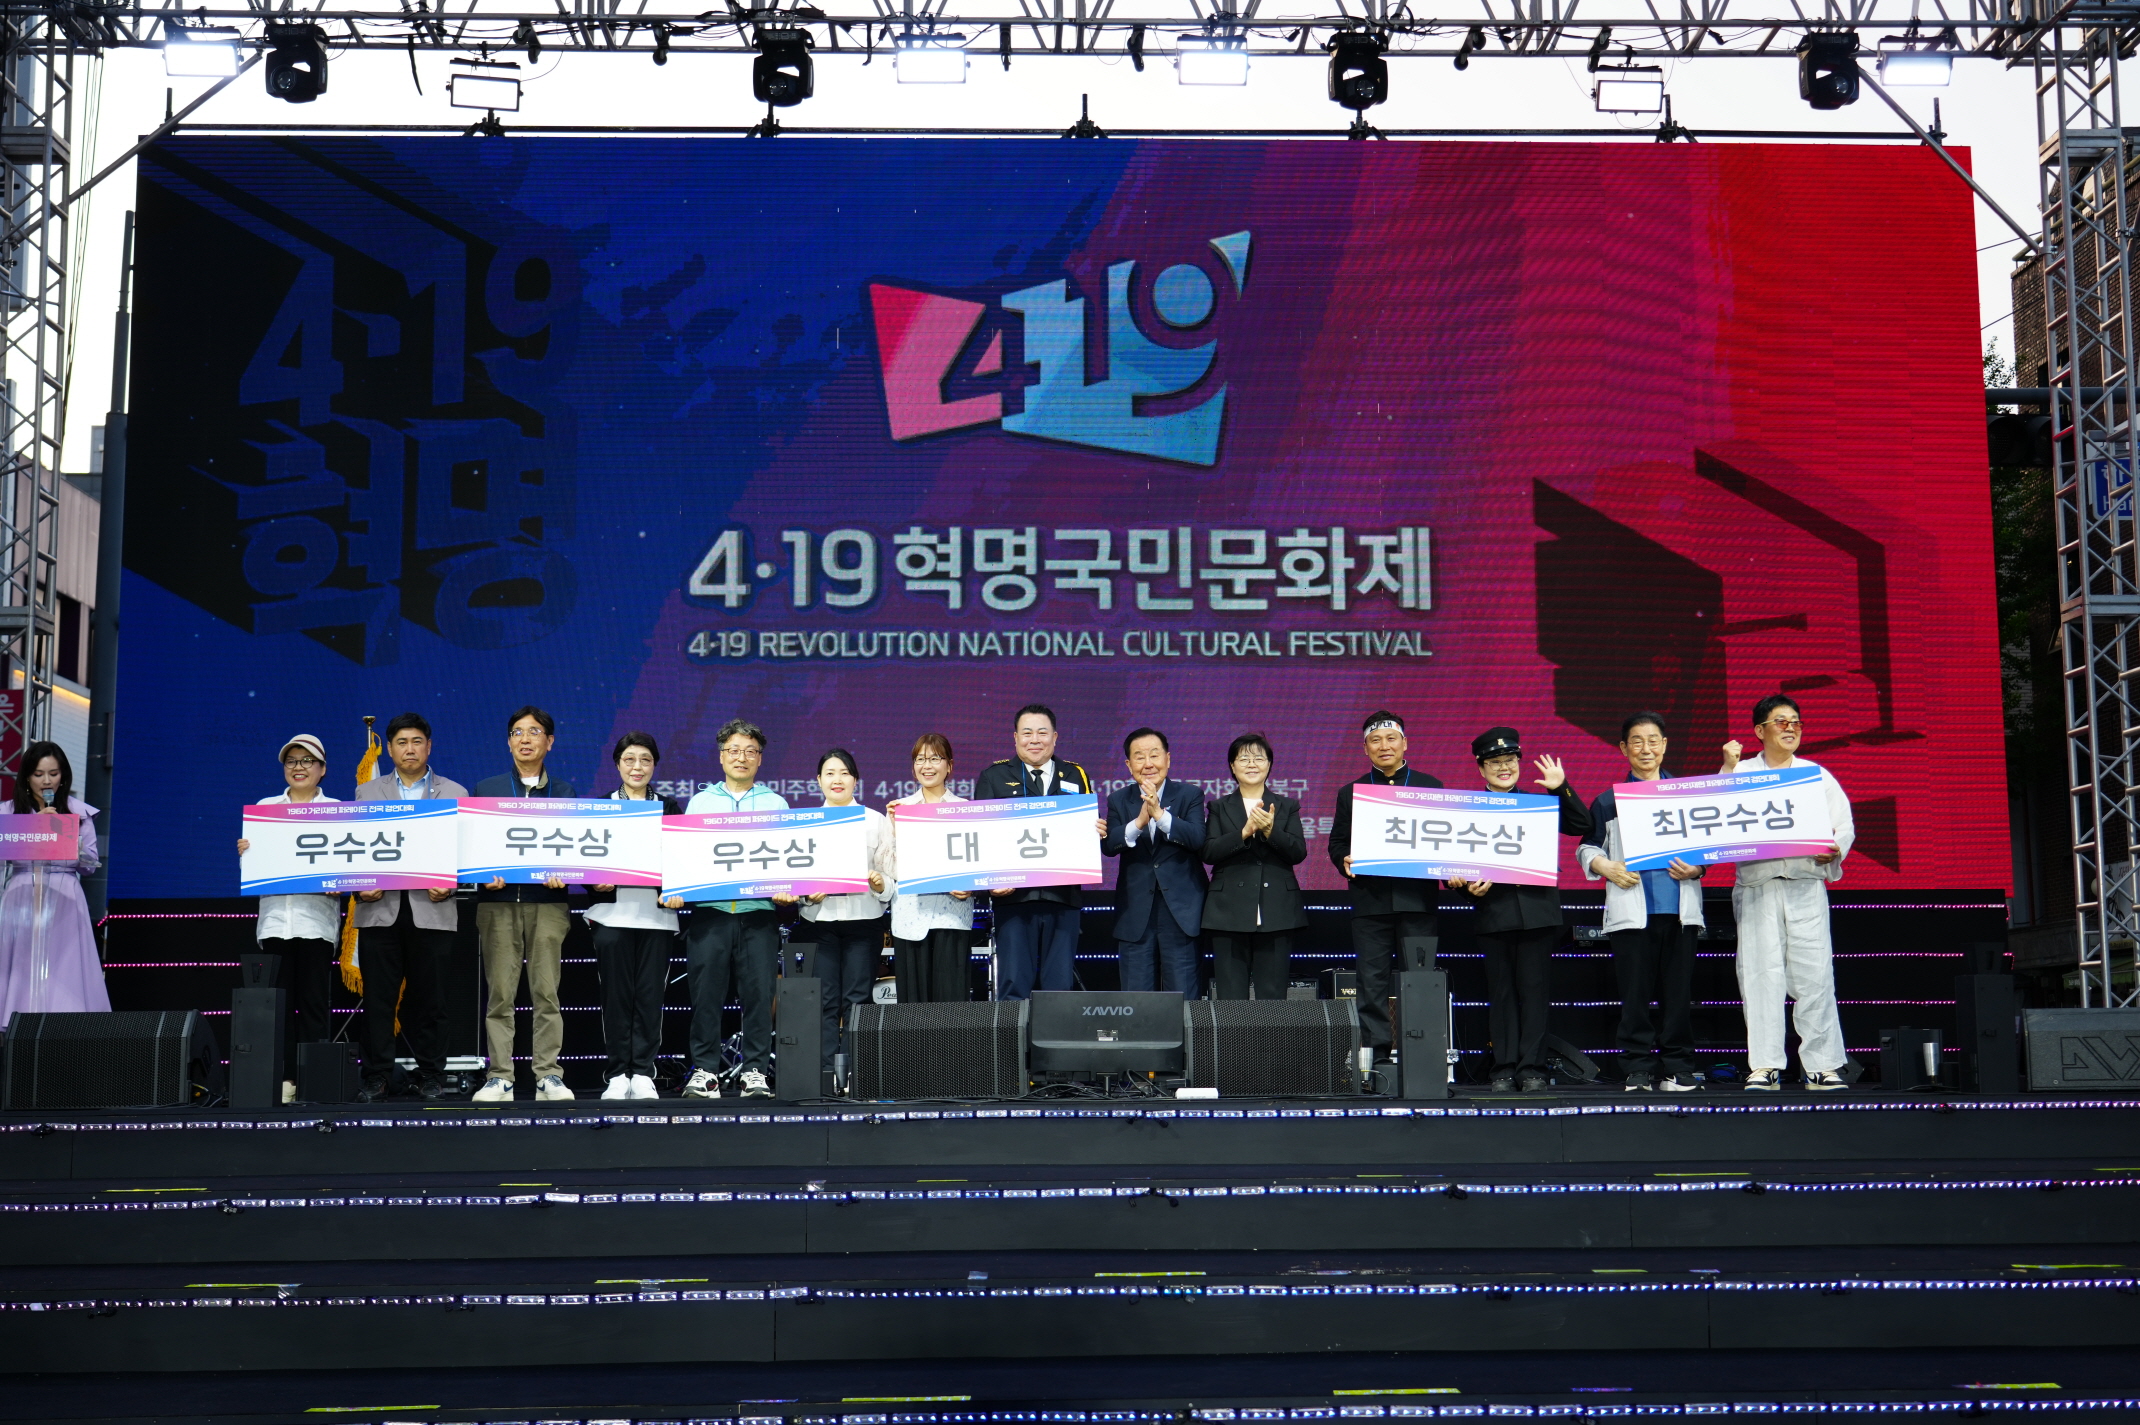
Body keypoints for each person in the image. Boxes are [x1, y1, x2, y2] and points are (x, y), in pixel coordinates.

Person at [1718, 694, 1856, 1092]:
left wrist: (1835, 848)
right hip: (1758, 887)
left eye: (1796, 721)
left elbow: (1842, 825)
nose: (1791, 727)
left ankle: (1822, 1066)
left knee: (1815, 976)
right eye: (1781, 721)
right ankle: (1765, 1066)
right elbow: (1718, 815)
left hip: (1805, 885)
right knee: (1760, 976)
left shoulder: (1815, 774)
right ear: (1760, 731)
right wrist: (1727, 768)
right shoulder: (1742, 771)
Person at [1449, 726, 1592, 1093]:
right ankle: (1503, 1070)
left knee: (1534, 995)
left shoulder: (1537, 805)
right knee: (1501, 996)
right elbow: (1455, 867)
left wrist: (1560, 787)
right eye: (1495, 762)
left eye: (1510, 760)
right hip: (1494, 913)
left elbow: (1581, 824)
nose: (1504, 767)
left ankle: (1532, 1071)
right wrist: (1465, 887)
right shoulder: (1467, 811)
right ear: (1481, 769)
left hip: (1537, 913)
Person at [1577, 713, 1706, 1093]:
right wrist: (1605, 866)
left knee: (1678, 997)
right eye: (1637, 741)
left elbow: (1709, 847)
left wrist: (1698, 868)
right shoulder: (1608, 801)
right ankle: (1637, 1068)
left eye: (1653, 740)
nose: (1645, 748)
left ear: (1664, 745)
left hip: (1679, 913)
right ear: (1623, 748)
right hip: (1633, 916)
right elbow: (1587, 847)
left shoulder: (1687, 797)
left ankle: (1678, 1068)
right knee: (1635, 998)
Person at [351, 714, 468, 1103]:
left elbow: (467, 853)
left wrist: (452, 883)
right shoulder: (367, 791)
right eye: (401, 742)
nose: (410, 749)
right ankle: (377, 1076)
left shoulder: (455, 792)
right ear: (390, 748)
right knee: (379, 1000)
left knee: (431, 1001)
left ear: (429, 746)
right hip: (379, 910)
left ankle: (431, 1074)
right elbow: (352, 848)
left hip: (432, 910)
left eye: (417, 741)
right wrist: (359, 888)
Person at [681, 718, 793, 1100]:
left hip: (758, 913)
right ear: (721, 756)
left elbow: (786, 860)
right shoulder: (700, 803)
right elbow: (687, 857)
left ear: (760, 759)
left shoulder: (776, 804)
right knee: (705, 996)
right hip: (710, 912)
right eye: (733, 750)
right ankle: (705, 1072)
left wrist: (787, 889)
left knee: (759, 995)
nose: (741, 757)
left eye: (750, 751)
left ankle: (755, 1071)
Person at [472, 706, 577, 1104]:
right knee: (500, 994)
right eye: (517, 732)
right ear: (508, 742)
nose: (525, 739)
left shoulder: (564, 793)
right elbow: (473, 845)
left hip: (547, 903)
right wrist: (482, 873)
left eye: (534, 732)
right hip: (498, 903)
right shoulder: (487, 790)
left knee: (546, 993)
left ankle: (548, 1074)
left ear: (549, 742)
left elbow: (574, 848)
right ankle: (500, 1076)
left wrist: (564, 871)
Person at [1327, 710, 1443, 1061]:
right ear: (1365, 749)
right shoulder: (1351, 792)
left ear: (1404, 743)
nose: (1384, 746)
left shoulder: (1431, 787)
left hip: (1418, 902)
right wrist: (1343, 860)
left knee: (1420, 981)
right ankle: (1375, 1059)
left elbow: (1445, 841)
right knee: (1371, 983)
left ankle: (1420, 1058)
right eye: (1375, 740)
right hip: (1371, 902)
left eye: (1391, 738)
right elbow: (1337, 843)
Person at [235, 733, 344, 1104]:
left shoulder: (337, 811)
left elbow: (347, 865)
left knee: (313, 1005)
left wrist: (340, 881)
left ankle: (312, 1079)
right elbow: (256, 870)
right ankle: (282, 1079)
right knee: (277, 1007)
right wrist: (247, 854)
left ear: (322, 769)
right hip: (276, 922)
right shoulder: (266, 808)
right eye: (292, 761)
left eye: (307, 761)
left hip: (316, 924)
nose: (299, 768)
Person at [973, 704, 1102, 1000]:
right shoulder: (994, 776)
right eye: (1027, 733)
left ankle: (1058, 1034)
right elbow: (982, 834)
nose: (1035, 740)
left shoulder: (1075, 773)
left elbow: (1085, 830)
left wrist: (1097, 829)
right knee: (1014, 984)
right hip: (1014, 898)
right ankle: (1012, 1034)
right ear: (1015, 738)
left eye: (1042, 733)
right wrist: (992, 881)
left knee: (1060, 987)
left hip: (1063, 896)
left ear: (1055, 737)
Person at [587, 731, 684, 1102]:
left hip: (657, 920)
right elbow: (586, 860)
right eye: (629, 759)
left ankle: (643, 1072)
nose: (637, 766)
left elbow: (682, 859)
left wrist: (675, 888)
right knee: (615, 998)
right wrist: (595, 882)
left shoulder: (669, 807)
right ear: (617, 765)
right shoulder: (601, 807)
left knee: (649, 997)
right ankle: (616, 1074)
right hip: (612, 918)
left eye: (645, 759)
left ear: (654, 765)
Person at [799, 748, 891, 1090]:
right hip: (819, 922)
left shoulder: (875, 821)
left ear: (856, 780)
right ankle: (825, 1076)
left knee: (858, 1000)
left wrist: (881, 884)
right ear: (818, 780)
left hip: (864, 920)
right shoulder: (805, 823)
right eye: (830, 773)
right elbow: (794, 877)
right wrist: (807, 894)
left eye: (844, 773)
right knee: (824, 1001)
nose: (837, 780)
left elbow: (890, 873)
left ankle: (855, 1076)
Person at [0, 742, 104, 1029]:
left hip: (64, 895)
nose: (46, 781)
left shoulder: (78, 813)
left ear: (63, 776)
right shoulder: (8, 812)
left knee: (65, 965)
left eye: (53, 774)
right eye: (38, 774)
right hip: (23, 893)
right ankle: (16, 1024)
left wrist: (65, 834)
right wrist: (36, 827)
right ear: (26, 777)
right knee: (21, 964)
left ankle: (63, 1028)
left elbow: (89, 864)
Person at [1201, 732, 1308, 1001]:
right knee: (1230, 997)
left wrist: (1272, 831)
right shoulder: (1218, 807)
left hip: (1276, 909)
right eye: (1244, 759)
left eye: (1259, 758)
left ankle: (1270, 1033)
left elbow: (1298, 852)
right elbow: (1209, 852)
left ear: (1269, 765)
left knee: (1273, 996)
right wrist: (1244, 832)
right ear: (1232, 766)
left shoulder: (1287, 806)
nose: (1252, 764)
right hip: (1228, 911)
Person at [1102, 727, 1207, 998]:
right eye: (1139, 757)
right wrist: (1139, 822)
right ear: (1129, 765)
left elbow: (1197, 838)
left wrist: (1160, 815)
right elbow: (1109, 845)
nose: (1148, 764)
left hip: (1181, 912)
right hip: (1135, 912)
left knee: (1184, 999)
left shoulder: (1189, 795)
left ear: (1168, 759)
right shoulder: (1118, 799)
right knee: (1137, 1001)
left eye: (1154, 755)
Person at [880, 733, 974, 1003]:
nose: (927, 765)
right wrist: (896, 831)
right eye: (920, 759)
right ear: (913, 767)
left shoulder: (965, 810)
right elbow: (888, 867)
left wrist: (971, 886)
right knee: (914, 1008)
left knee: (950, 1007)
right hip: (910, 917)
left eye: (935, 758)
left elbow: (976, 862)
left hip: (952, 917)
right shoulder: (900, 809)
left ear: (949, 766)